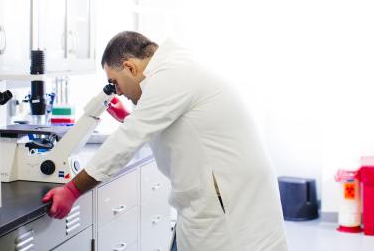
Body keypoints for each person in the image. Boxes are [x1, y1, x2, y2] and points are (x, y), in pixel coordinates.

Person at [42, 31, 288, 250]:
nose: (117, 91)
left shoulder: (171, 76)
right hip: (221, 193)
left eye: (114, 82)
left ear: (130, 67)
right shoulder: (175, 66)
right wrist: (129, 117)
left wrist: (72, 190)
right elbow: (179, 125)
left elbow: (128, 139)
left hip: (228, 204)